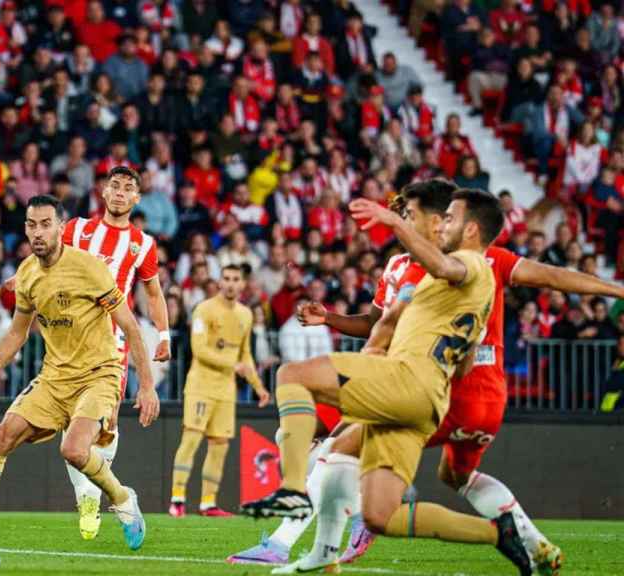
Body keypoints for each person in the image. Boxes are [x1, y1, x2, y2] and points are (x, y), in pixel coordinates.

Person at [241, 189, 539, 575]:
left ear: (447, 225)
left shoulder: (464, 266)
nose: (404, 219)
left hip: (401, 381)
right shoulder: (419, 272)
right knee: (377, 510)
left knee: (295, 381)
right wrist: (337, 321)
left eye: (411, 214)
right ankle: (499, 535)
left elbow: (394, 324)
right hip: (419, 396)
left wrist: (393, 223)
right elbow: (394, 329)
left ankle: (291, 513)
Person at [0, 195, 159, 552]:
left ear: (62, 227)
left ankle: (123, 498)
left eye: (46, 224)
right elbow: (16, 333)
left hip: (99, 373)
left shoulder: (89, 267)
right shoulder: (27, 273)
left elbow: (131, 327)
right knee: (0, 437)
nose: (38, 232)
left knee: (73, 449)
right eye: (32, 225)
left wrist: (147, 386)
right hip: (54, 377)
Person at [59, 166, 171, 539]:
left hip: (113, 344)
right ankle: (90, 495)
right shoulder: (76, 230)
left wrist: (164, 335)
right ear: (104, 192)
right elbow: (49, 264)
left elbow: (153, 294)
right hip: (70, 342)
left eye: (128, 189)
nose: (121, 193)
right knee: (71, 427)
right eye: (115, 186)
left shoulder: (143, 244)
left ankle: (93, 494)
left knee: (105, 426)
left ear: (137, 198)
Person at [169, 265, 269, 518]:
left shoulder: (246, 315)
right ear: (220, 282)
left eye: (236, 279)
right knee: (191, 439)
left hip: (226, 390)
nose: (231, 284)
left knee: (219, 445)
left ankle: (208, 503)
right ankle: (177, 499)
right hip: (201, 386)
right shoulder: (204, 309)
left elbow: (245, 354)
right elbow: (199, 349)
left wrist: (259, 387)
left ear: (243, 284)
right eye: (226, 279)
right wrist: (231, 364)